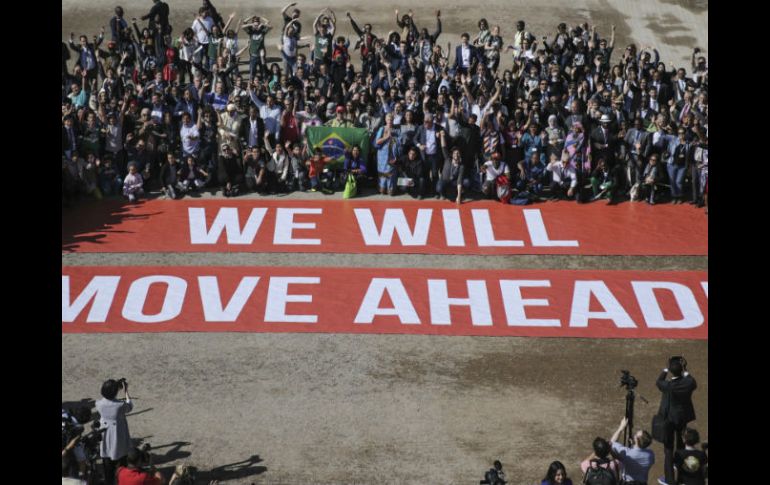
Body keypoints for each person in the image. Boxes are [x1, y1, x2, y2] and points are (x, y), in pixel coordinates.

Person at [655, 357, 697, 485]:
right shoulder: (688, 383)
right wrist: (685, 369)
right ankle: (682, 477)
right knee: (681, 445)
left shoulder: (668, 386)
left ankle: (670, 480)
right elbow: (692, 380)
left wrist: (665, 369)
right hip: (682, 418)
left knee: (668, 449)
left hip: (669, 420)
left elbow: (659, 381)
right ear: (681, 370)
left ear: (671, 371)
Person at [96, 379, 133, 485]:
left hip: (105, 434)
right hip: (118, 434)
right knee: (121, 461)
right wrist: (126, 391)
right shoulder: (120, 405)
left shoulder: (98, 404)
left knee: (107, 463)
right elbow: (129, 406)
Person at [609, 416, 655, 485]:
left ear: (637, 440)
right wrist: (634, 446)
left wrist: (621, 428)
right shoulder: (651, 454)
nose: (634, 435)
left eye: (636, 435)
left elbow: (611, 443)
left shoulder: (627, 454)